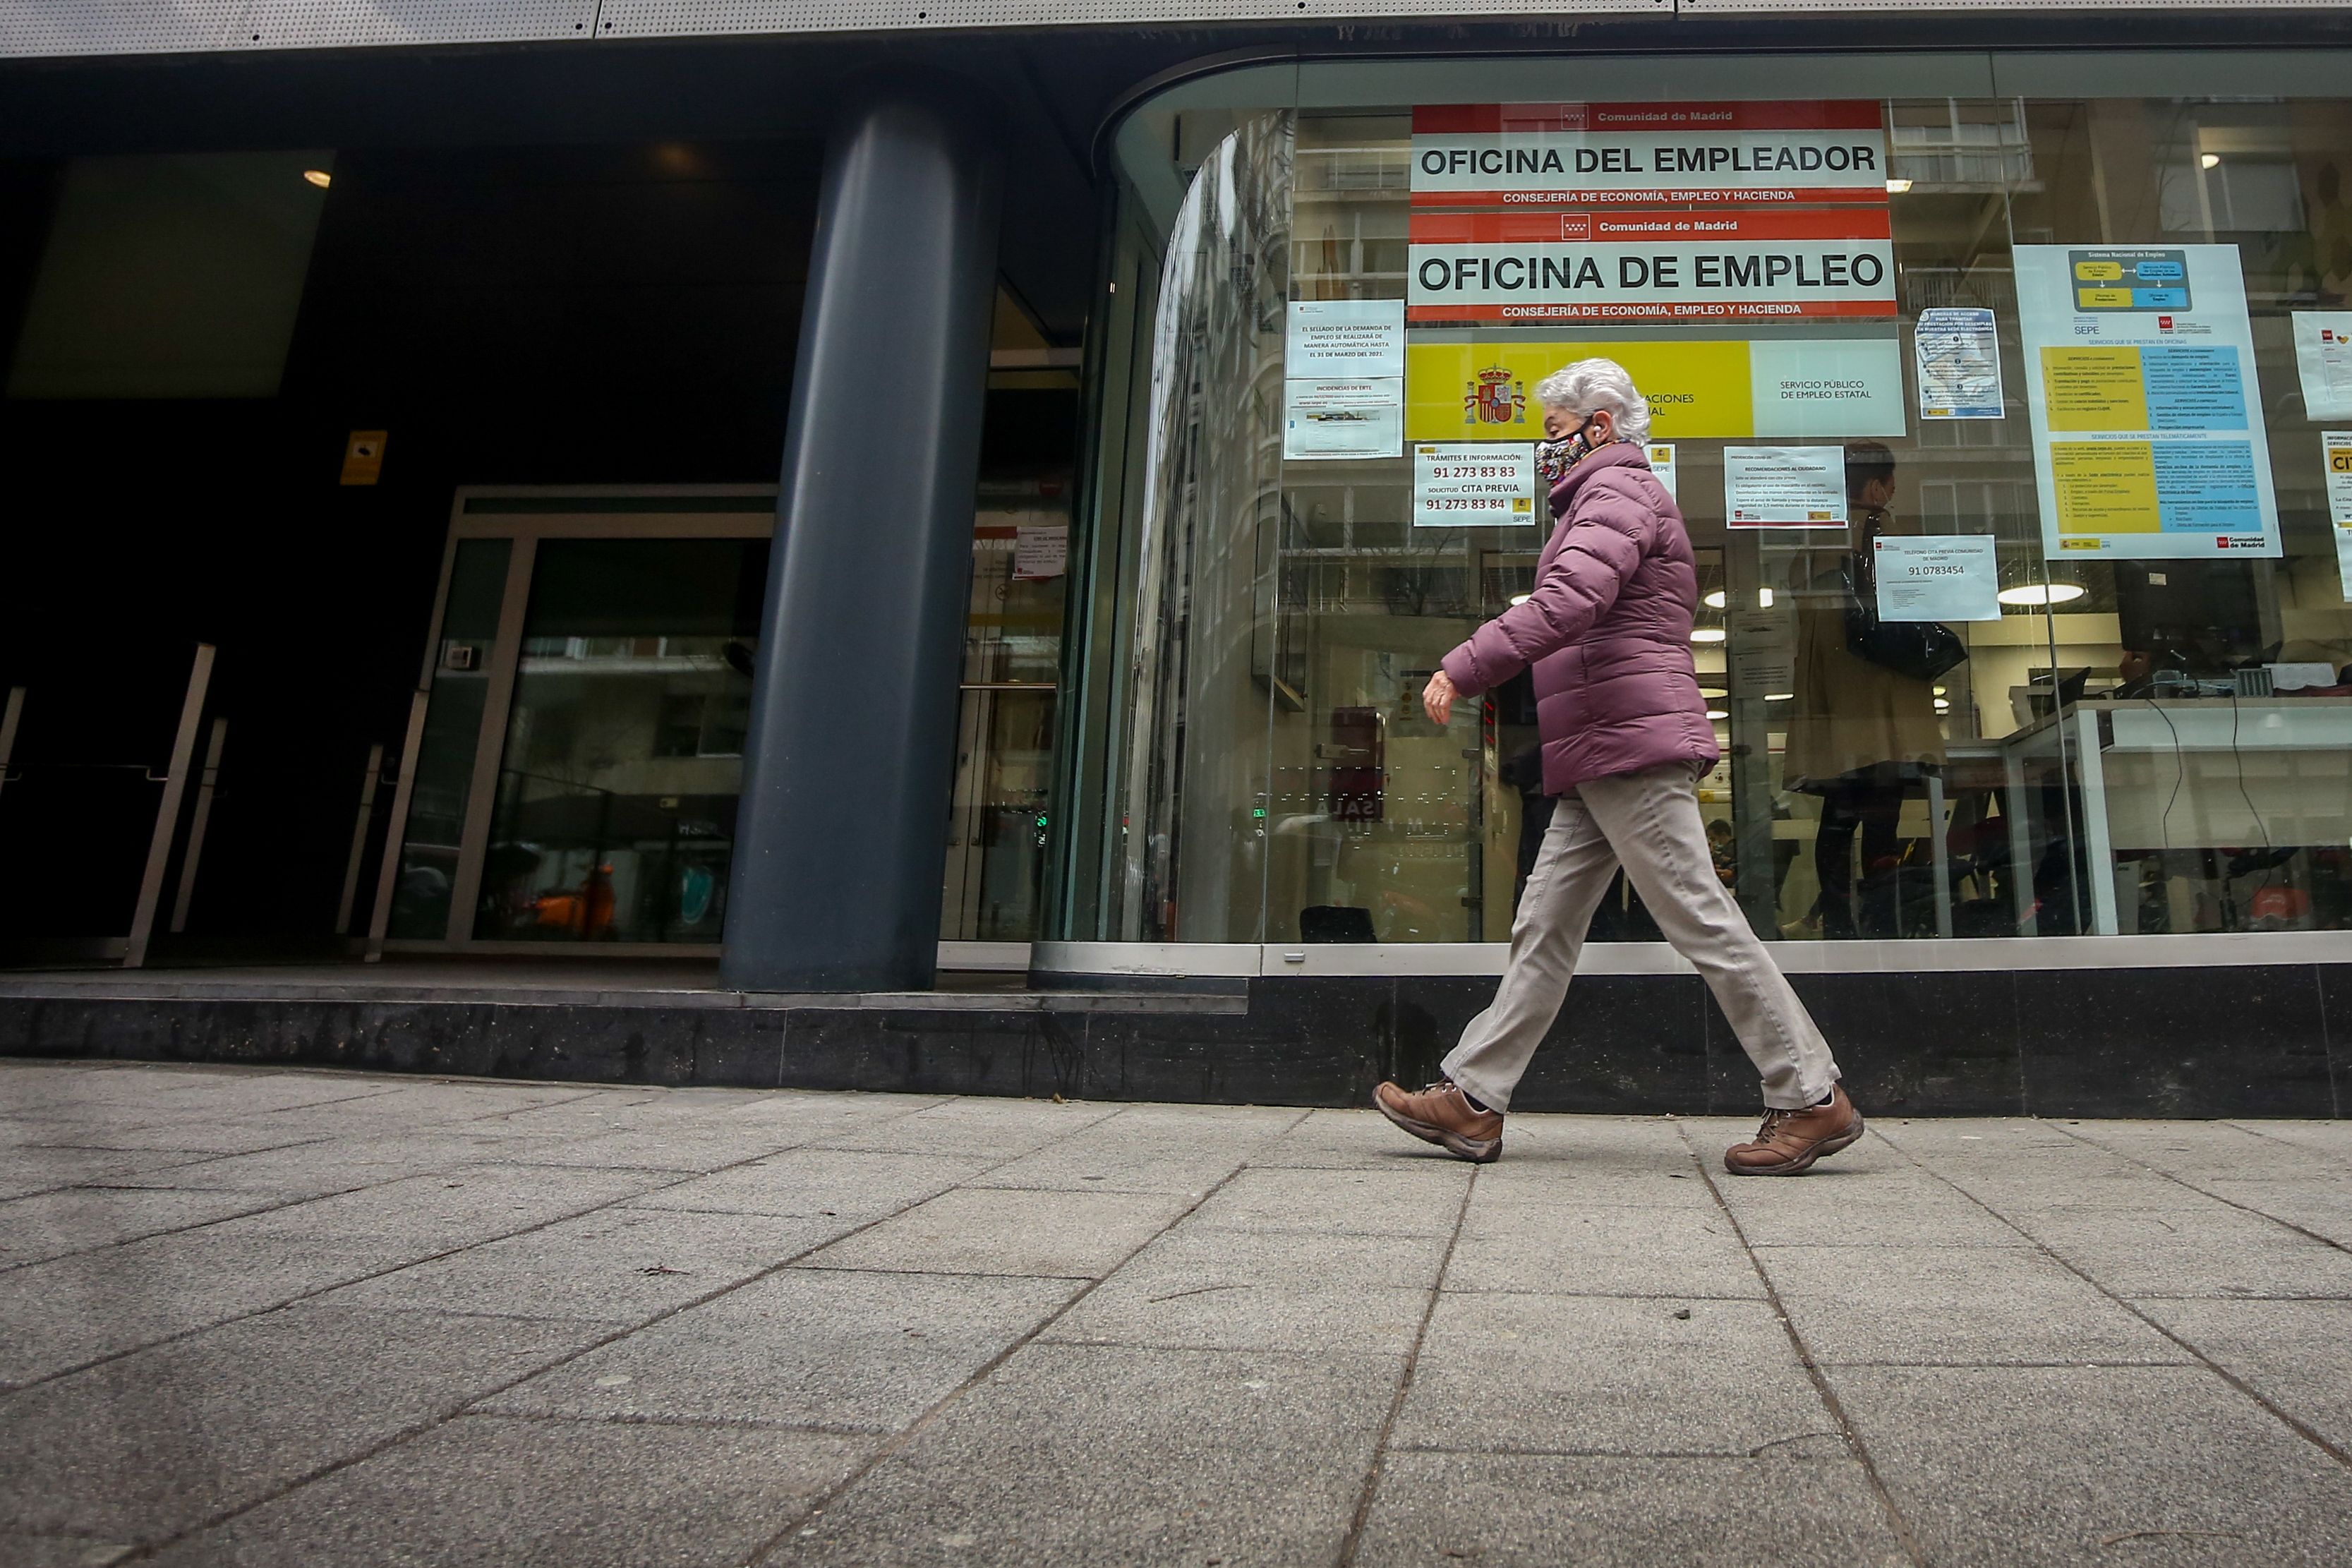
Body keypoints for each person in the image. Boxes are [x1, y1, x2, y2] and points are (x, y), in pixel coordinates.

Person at [1373, 358, 1862, 1176]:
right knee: (1545, 928)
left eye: (1554, 431)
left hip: (1628, 744)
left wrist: (1463, 666)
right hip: (1599, 746)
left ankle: (1812, 1094)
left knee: (1700, 918)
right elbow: (1561, 604)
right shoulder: (1600, 502)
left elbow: (1567, 604)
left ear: (1600, 425)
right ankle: (1473, 1098)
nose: (1544, 449)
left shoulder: (1617, 494)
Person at [1783, 442, 1946, 939]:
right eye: (1891, 487)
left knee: (1836, 818)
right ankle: (1882, 921)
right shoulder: (1888, 535)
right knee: (1882, 820)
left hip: (1834, 708)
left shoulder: (1809, 544)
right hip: (1885, 704)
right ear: (1876, 488)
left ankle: (1836, 922)